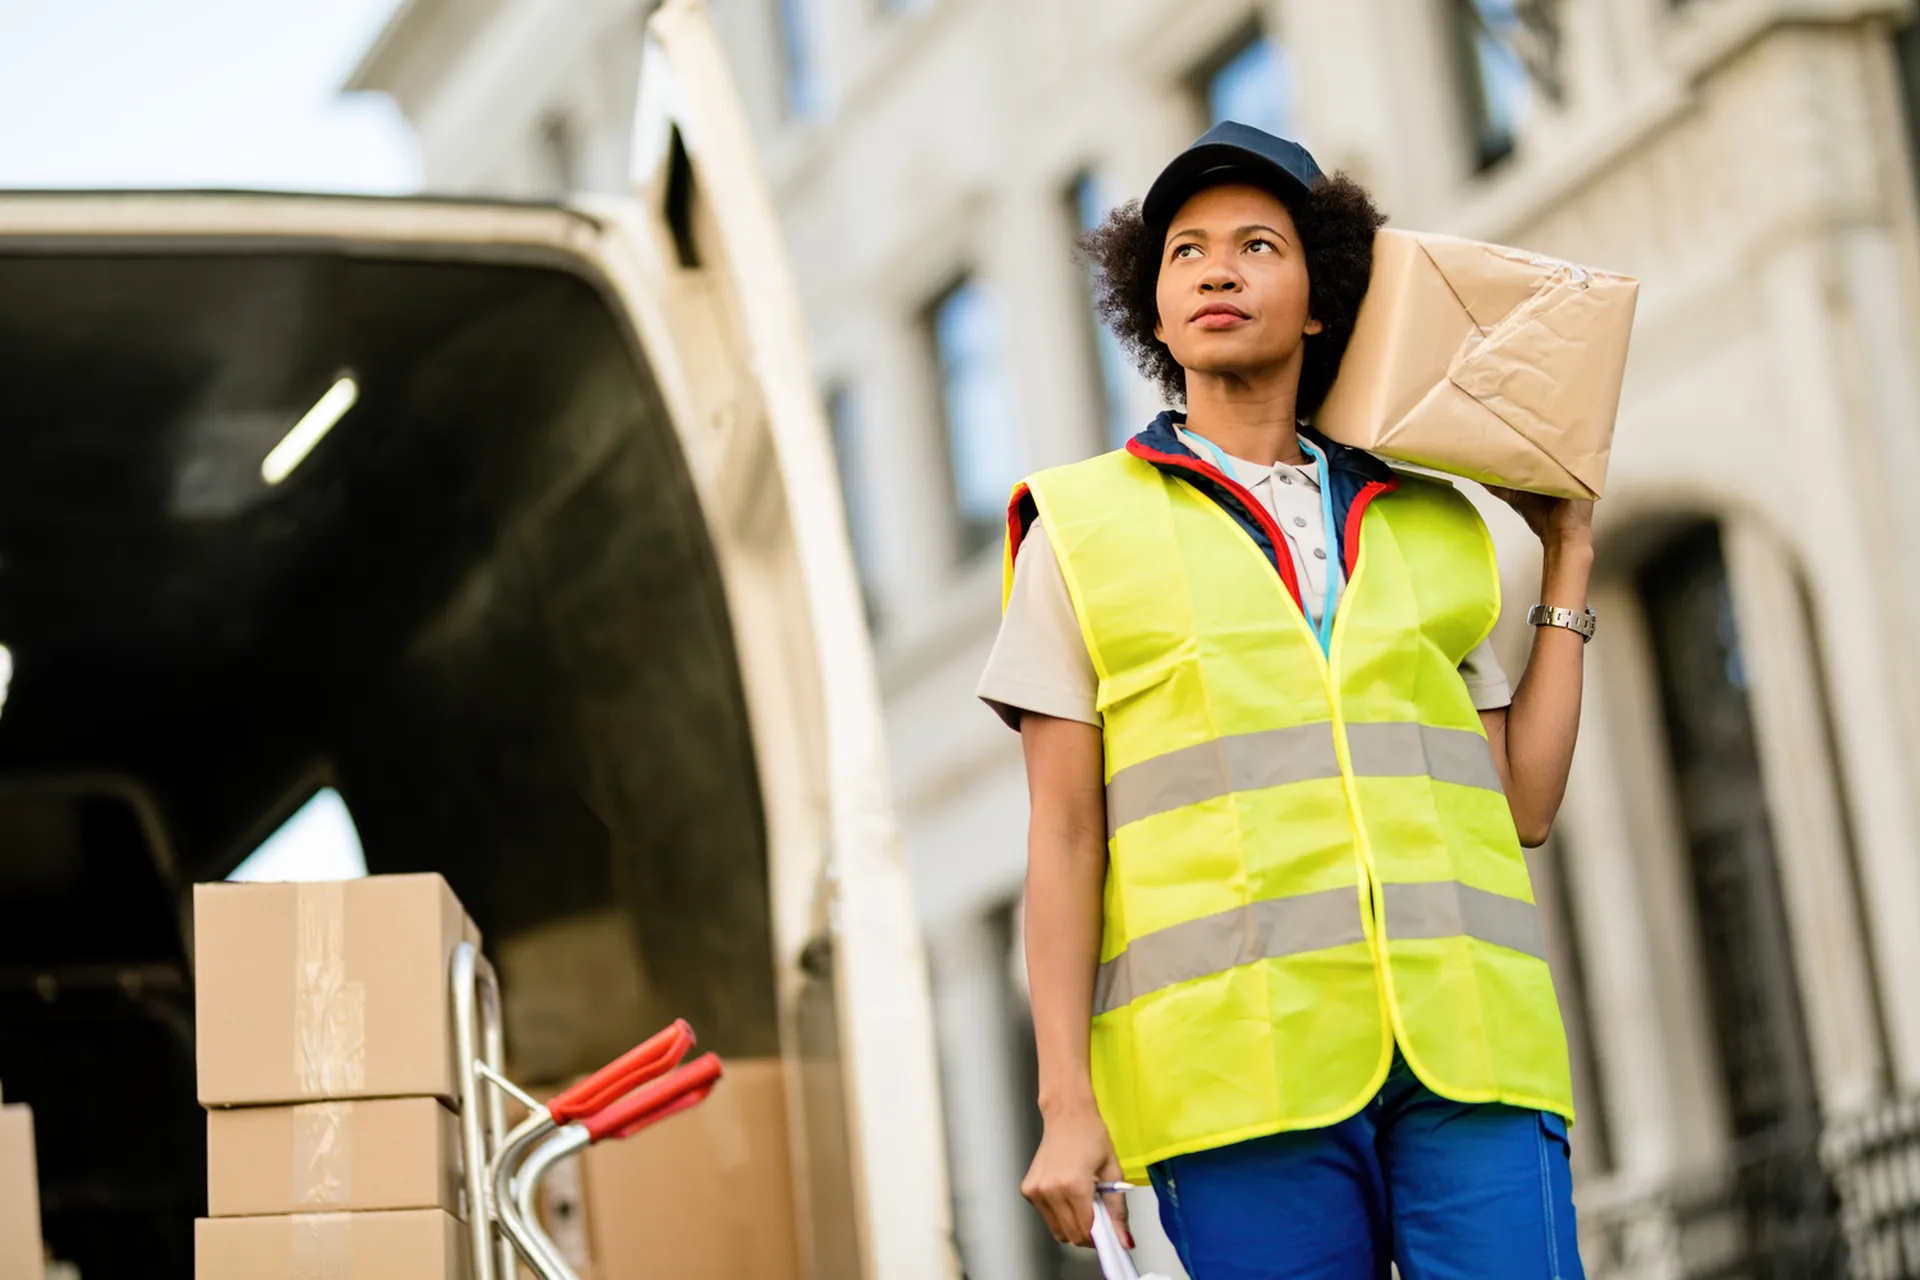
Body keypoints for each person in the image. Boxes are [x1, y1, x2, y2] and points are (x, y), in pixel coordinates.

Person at [977, 121, 1595, 1279]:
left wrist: (1566, 553)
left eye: (1259, 244)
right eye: (1185, 253)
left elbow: (1522, 804)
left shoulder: (1435, 522)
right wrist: (1067, 1101)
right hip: (1238, 1085)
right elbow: (1063, 837)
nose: (1217, 269)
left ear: (1320, 298)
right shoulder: (1079, 531)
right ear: (1151, 311)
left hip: (1471, 1053)